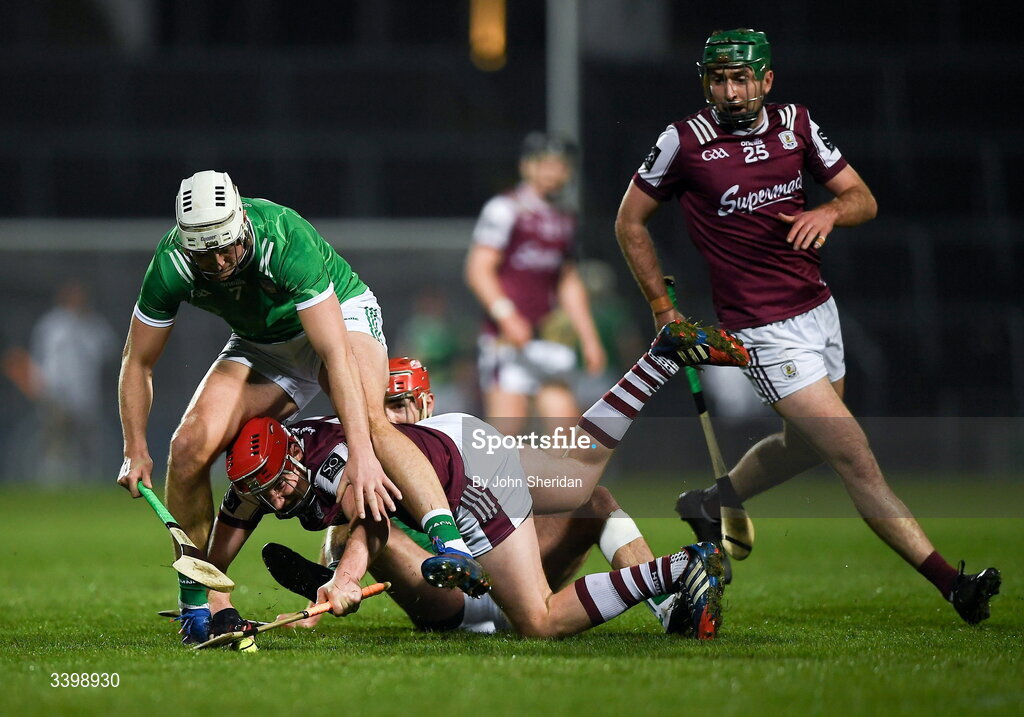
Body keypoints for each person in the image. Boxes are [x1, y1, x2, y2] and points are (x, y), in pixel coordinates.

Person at [613, 28, 1001, 623]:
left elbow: (862, 198)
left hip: (821, 312)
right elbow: (629, 223)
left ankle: (712, 502)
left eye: (742, 78)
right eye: (719, 78)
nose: (730, 90)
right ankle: (955, 585)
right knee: (854, 457)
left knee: (804, 449)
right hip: (764, 332)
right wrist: (663, 311)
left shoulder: (796, 123)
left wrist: (829, 211)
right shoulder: (684, 141)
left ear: (766, 81)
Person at [204, 320, 751, 642]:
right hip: (461, 449)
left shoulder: (332, 464)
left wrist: (343, 577)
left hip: (464, 486)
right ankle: (659, 360)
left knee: (538, 620)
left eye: (399, 404)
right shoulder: (270, 464)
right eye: (262, 492)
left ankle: (680, 568)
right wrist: (210, 602)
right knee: (581, 478)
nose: (275, 498)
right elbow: (225, 540)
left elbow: (365, 522)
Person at [115, 170, 483, 644]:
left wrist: (364, 457)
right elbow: (136, 361)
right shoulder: (172, 264)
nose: (222, 262)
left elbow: (334, 356)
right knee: (187, 447)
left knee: (371, 424)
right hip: (262, 345)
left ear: (242, 224)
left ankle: (449, 542)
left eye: (229, 247)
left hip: (337, 317)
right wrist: (134, 446)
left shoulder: (284, 238)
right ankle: (198, 602)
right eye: (207, 255)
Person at [263, 356, 697, 636]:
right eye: (380, 408)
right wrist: (320, 601)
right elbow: (358, 524)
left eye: (398, 405)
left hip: (502, 558)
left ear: (427, 404)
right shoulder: (370, 452)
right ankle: (655, 363)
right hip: (444, 596)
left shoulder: (446, 444)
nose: (388, 418)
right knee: (359, 523)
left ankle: (669, 607)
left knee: (593, 498)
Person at [465, 132, 606, 436]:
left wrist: (589, 337)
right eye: (545, 163)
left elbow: (568, 281)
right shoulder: (504, 209)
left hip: (549, 339)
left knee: (569, 440)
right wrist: (507, 316)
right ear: (526, 166)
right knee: (505, 440)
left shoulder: (565, 218)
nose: (553, 172)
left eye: (561, 165)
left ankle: (555, 485)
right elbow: (478, 269)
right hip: (506, 343)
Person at [2, 280, 117, 482]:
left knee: (87, 443)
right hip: (55, 392)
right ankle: (53, 481)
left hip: (85, 395)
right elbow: (41, 357)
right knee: (56, 440)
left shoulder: (93, 325)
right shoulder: (52, 324)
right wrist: (39, 386)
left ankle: (88, 481)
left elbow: (111, 352)